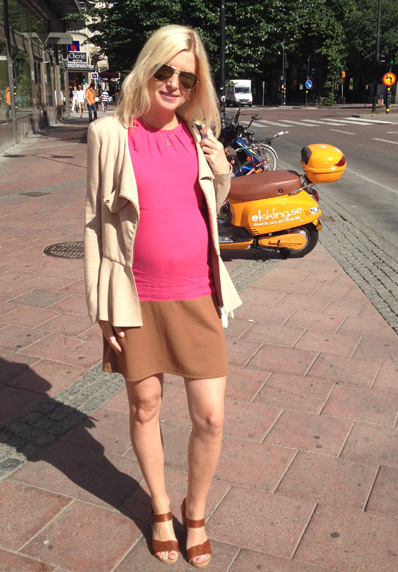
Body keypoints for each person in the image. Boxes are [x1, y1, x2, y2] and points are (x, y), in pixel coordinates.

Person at [84, 24, 241, 568]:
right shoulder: (109, 134)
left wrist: (221, 171)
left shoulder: (197, 136)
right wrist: (102, 308)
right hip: (136, 295)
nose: (174, 84)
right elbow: (95, 222)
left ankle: (195, 513)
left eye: (187, 78)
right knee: (145, 405)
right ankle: (160, 508)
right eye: (165, 71)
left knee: (211, 417)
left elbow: (209, 208)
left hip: (196, 292)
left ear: (197, 86)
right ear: (146, 69)